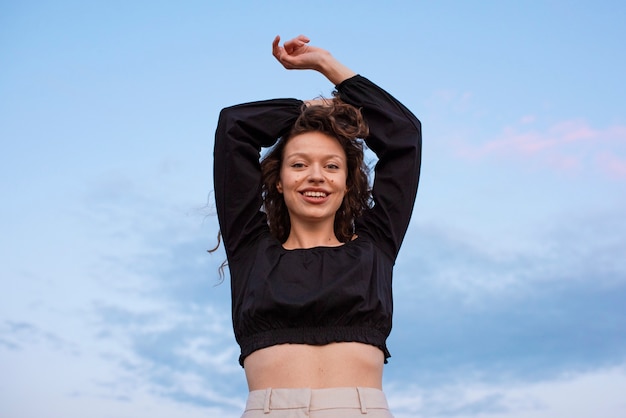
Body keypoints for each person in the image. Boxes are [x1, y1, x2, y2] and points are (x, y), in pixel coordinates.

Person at [214, 34, 422, 418]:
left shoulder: (375, 246)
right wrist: (310, 110)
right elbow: (234, 127)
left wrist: (326, 64)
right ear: (278, 180)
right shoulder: (249, 249)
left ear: (348, 181)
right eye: (298, 164)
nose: (316, 176)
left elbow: (404, 136)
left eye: (331, 165)